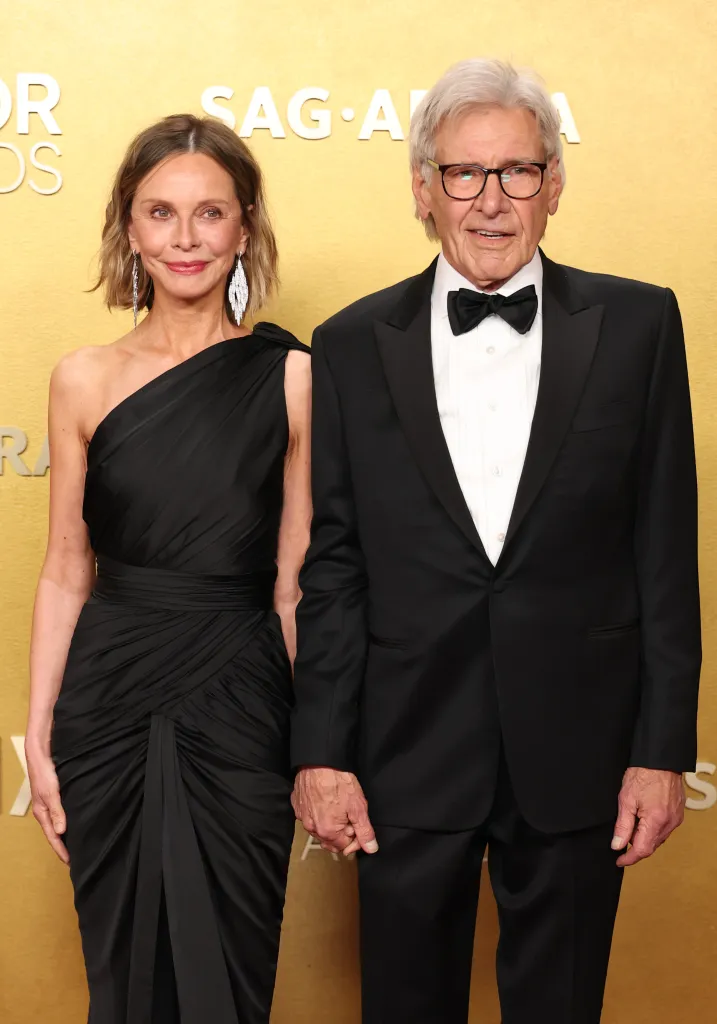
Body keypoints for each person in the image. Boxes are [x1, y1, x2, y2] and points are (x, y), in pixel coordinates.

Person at [291, 58, 701, 1024]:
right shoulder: (348, 342)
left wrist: (660, 750)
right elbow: (335, 564)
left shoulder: (640, 323)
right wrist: (322, 752)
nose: (489, 201)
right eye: (463, 174)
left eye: (516, 172)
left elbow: (665, 551)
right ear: (423, 191)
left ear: (553, 186)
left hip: (579, 749)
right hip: (403, 745)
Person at [25, 113, 311, 1023]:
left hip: (240, 698)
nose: (185, 239)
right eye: (160, 213)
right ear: (129, 228)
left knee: (231, 964)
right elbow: (67, 568)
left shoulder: (292, 377)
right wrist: (37, 735)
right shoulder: (82, 377)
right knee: (125, 970)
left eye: (209, 214)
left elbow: (292, 583)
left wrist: (321, 747)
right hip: (106, 701)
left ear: (244, 228)